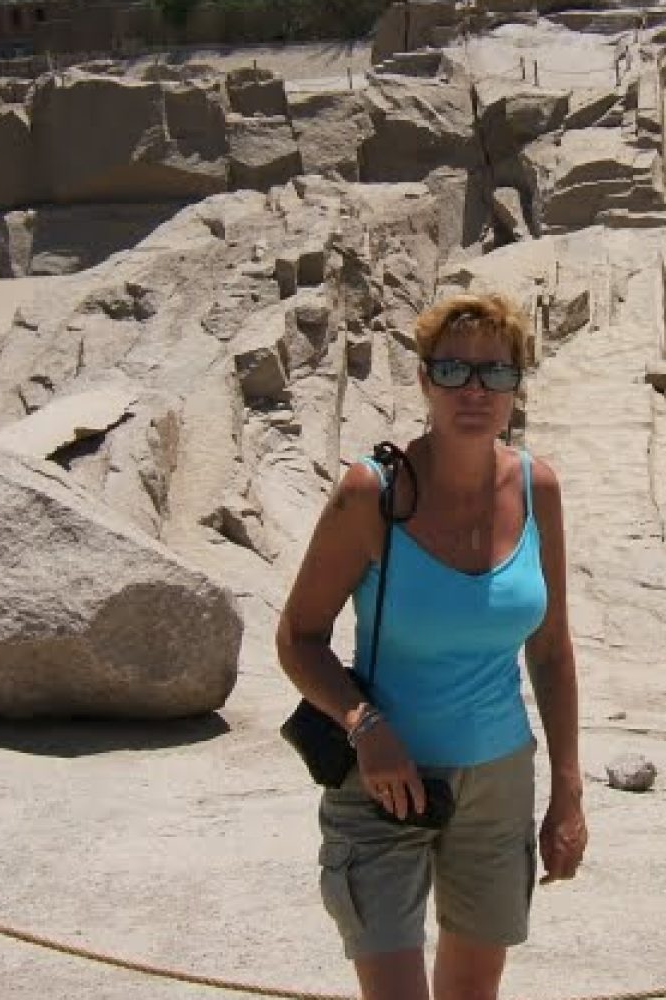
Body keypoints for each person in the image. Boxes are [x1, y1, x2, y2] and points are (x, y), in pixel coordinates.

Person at [276, 293, 587, 1000]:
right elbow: (298, 636)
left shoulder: (537, 488)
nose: (474, 390)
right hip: (384, 778)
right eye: (452, 370)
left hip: (498, 779)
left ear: (517, 385)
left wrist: (567, 787)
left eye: (495, 372)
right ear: (423, 380)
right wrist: (365, 725)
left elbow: (551, 651)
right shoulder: (374, 492)